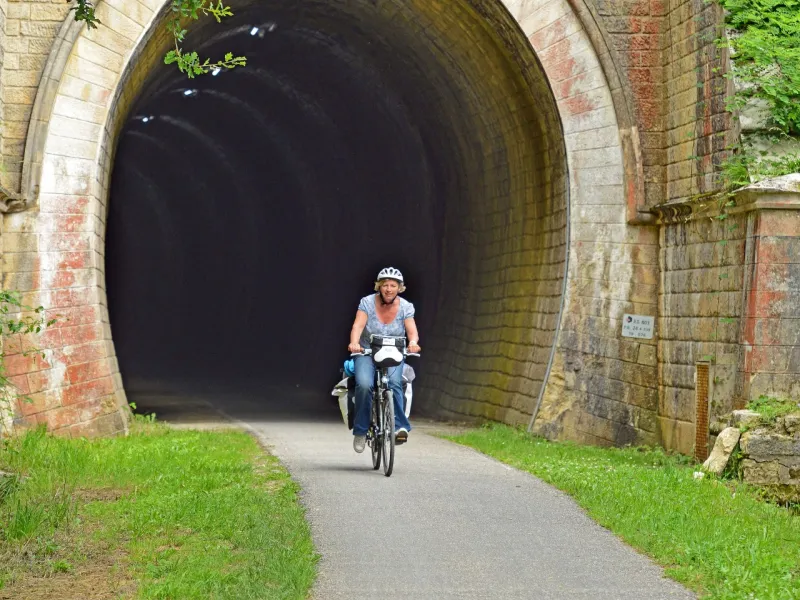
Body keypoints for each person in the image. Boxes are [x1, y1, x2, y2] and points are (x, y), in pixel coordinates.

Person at [348, 267, 421, 453]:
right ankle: (361, 431)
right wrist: (354, 343)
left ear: (399, 288)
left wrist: (413, 342)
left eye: (393, 285)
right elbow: (358, 325)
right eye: (385, 285)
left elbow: (412, 331)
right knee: (364, 384)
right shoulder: (366, 302)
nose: (389, 289)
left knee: (396, 383)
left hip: (394, 352)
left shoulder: (406, 307)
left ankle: (398, 428)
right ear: (379, 287)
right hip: (367, 352)